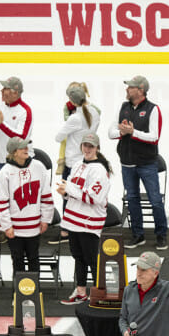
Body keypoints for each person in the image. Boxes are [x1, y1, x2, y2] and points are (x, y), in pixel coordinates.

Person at [110, 75, 167, 251]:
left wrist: (133, 132)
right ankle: (137, 234)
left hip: (146, 163)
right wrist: (123, 132)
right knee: (132, 199)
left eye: (131, 87)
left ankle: (161, 235)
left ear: (140, 90)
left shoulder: (153, 109)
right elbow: (111, 132)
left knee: (155, 200)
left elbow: (154, 137)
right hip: (127, 162)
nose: (127, 89)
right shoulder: (123, 107)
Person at [56, 132, 111, 305]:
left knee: (92, 260)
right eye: (85, 145)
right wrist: (65, 193)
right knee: (78, 257)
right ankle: (81, 292)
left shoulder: (101, 170)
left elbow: (93, 197)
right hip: (73, 220)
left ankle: (99, 295)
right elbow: (73, 191)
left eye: (91, 146)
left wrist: (70, 190)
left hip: (88, 222)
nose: (87, 149)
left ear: (97, 148)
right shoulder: (78, 164)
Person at [0, 136, 53, 274]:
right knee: (17, 260)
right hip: (14, 228)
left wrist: (45, 219)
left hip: (34, 226)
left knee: (34, 258)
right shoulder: (4, 173)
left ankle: (35, 293)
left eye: (27, 146)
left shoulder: (39, 167)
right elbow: (1, 202)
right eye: (23, 147)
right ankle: (19, 294)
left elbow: (46, 195)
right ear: (14, 151)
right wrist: (7, 226)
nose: (27, 149)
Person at [52, 82, 101, 245]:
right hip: (87, 160)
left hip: (73, 161)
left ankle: (66, 230)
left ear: (72, 101)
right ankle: (81, 225)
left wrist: (67, 121)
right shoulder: (94, 112)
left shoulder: (75, 118)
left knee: (68, 195)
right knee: (82, 194)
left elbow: (58, 137)